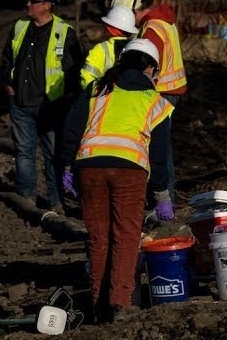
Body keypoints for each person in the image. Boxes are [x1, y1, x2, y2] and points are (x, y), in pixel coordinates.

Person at [59, 40, 173, 321]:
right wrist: (161, 192)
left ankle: (98, 306)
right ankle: (120, 303)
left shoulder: (98, 89)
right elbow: (159, 154)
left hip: (89, 166)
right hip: (129, 170)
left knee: (98, 237)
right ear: (149, 68)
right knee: (126, 236)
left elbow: (71, 130)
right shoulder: (156, 102)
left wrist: (65, 166)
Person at [0, 0, 83, 211]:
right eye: (28, 0)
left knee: (53, 155)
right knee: (23, 153)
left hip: (51, 105)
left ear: (47, 5)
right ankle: (27, 197)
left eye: (33, 0)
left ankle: (56, 200)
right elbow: (7, 58)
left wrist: (66, 100)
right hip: (21, 102)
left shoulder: (64, 33)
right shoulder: (19, 27)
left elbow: (74, 71)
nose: (28, 4)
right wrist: (7, 83)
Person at [113, 0, 187, 205]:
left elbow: (148, 66)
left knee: (158, 147)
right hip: (171, 89)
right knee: (162, 147)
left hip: (162, 91)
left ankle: (163, 198)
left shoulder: (152, 29)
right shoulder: (161, 22)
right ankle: (164, 197)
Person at [79, 6, 137, 90]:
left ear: (109, 28)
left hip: (103, 100)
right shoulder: (137, 48)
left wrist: (96, 97)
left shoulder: (101, 49)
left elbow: (87, 77)